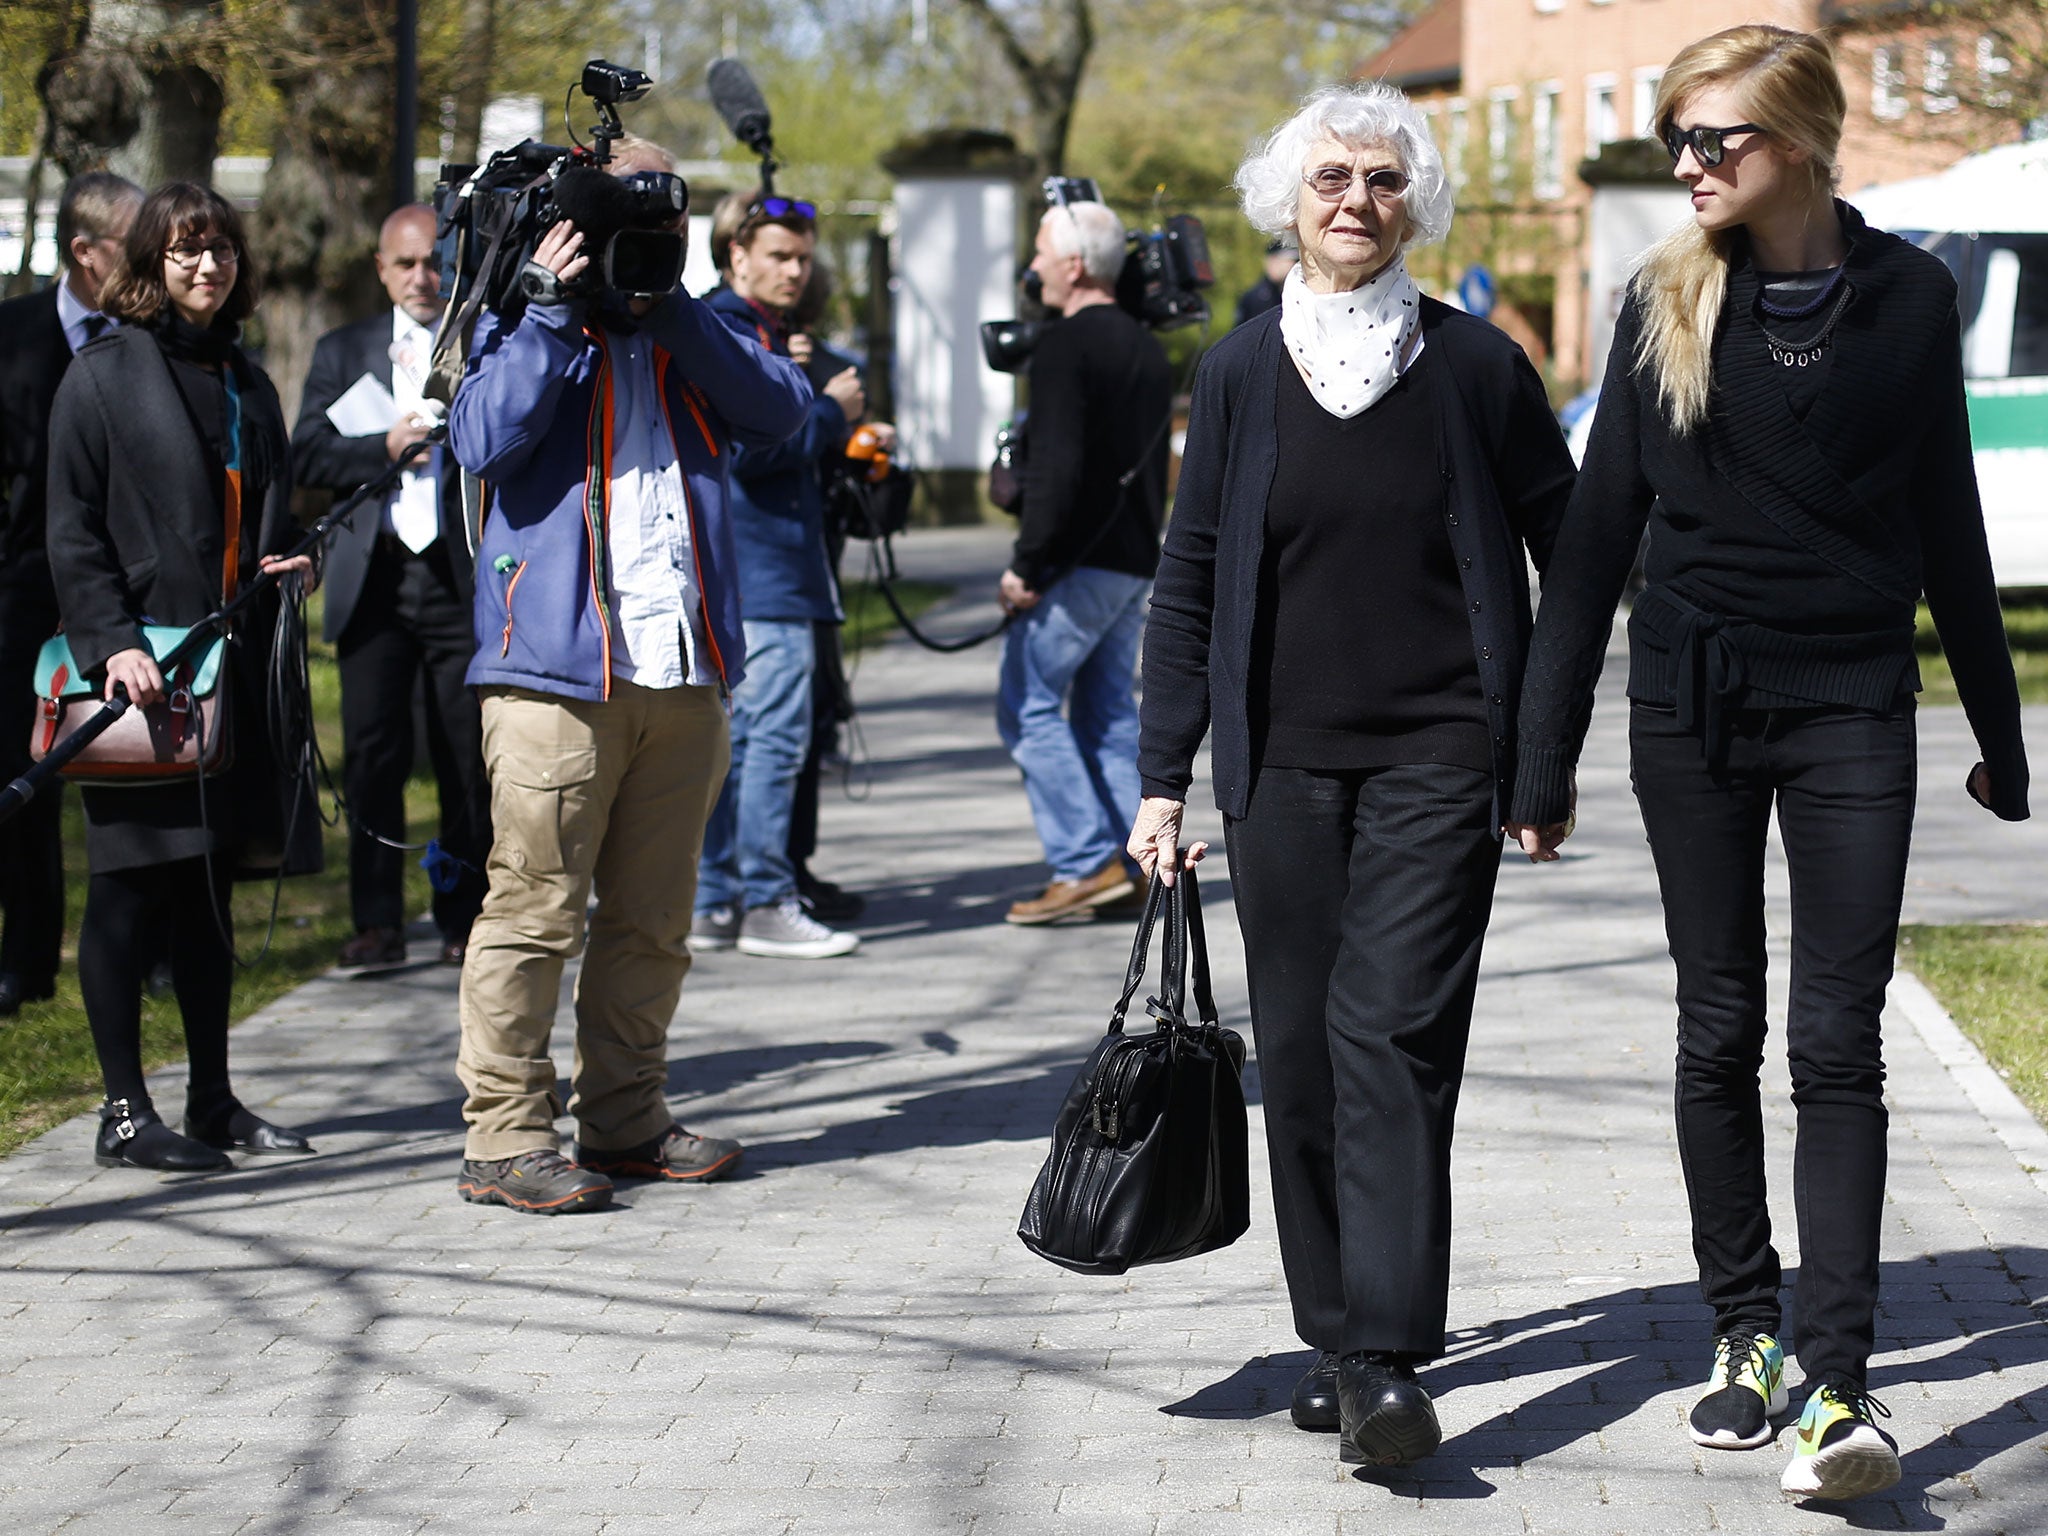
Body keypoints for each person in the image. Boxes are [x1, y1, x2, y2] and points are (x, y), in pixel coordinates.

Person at [1505, 26, 2030, 1504]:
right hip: (1694, 707)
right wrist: (1539, 762)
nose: (1687, 163)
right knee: (1714, 1024)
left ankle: (1842, 1381)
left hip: (1856, 703)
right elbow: (1599, 534)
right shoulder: (1664, 297)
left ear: (1795, 139)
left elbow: (1949, 523)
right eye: (1677, 136)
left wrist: (1998, 732)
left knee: (1837, 1040)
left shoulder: (1912, 299)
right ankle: (1745, 1330)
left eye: (1712, 140)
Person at [1128, 83, 1576, 1467]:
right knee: (1308, 1055)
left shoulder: (1479, 369)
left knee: (1391, 1040)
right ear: (1289, 199)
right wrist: (1163, 779)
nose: (1356, 199)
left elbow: (1572, 563)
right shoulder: (1242, 371)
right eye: (1332, 176)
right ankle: (1333, 1332)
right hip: (1281, 772)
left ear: (1414, 202)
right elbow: (1190, 577)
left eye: (1384, 178)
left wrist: (1542, 759)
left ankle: (1387, 1357)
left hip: (1444, 757)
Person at [447, 138, 812, 1214]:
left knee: (652, 920)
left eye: (660, 211)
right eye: (621, 210)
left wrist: (677, 307)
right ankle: (505, 1137)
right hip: (551, 673)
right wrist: (555, 310)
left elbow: (783, 412)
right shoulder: (521, 321)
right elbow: (480, 440)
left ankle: (624, 1119)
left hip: (680, 666)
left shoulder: (689, 330)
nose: (639, 232)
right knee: (532, 912)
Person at [44, 181, 318, 1171]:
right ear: (151, 263)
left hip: (232, 677)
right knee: (126, 892)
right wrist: (109, 639)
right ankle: (124, 1114)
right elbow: (70, 524)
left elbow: (269, 523)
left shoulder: (249, 380)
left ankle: (212, 1100)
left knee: (208, 893)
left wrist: (294, 564)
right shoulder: (104, 374)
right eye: (188, 250)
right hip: (143, 677)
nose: (210, 266)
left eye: (224, 250)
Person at [292, 204, 490, 969]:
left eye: (434, 262)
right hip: (372, 577)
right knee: (374, 756)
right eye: (405, 264)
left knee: (463, 757)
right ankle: (375, 922)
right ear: (381, 269)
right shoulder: (345, 351)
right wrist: (382, 446)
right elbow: (307, 450)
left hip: (454, 575)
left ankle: (459, 913)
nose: (422, 277)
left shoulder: (477, 344)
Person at [687, 191, 868, 960]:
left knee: (739, 742)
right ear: (736, 256)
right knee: (772, 743)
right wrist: (828, 412)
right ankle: (762, 898)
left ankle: (718, 899)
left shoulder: (753, 330)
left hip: (762, 569)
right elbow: (749, 452)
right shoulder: (728, 330)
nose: (796, 272)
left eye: (802, 259)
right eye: (779, 258)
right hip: (760, 573)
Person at [999, 199, 1173, 925]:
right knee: (1104, 715)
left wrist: (1028, 566)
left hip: (1076, 566)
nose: (1032, 265)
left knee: (1027, 706)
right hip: (1132, 559)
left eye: (1041, 251)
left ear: (1073, 265)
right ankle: (1135, 866)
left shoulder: (1066, 345)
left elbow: (1058, 471)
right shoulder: (1146, 346)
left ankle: (1083, 862)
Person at [0, 171, 140, 1018]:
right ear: (86, 252)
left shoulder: (153, 341)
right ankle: (25, 958)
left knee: (146, 776)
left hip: (132, 600)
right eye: (136, 242)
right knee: (21, 779)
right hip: (20, 599)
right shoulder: (10, 337)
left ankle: (155, 945)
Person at [1233, 237, 1294, 327]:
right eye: (1287, 261)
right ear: (1273, 261)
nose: (1292, 265)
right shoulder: (1254, 297)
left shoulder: (1292, 292)